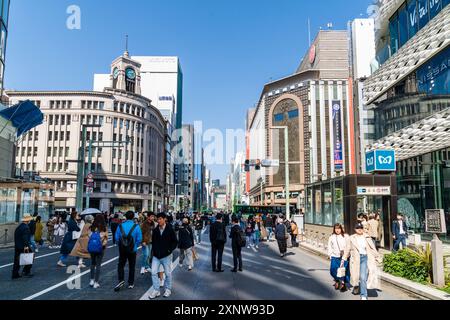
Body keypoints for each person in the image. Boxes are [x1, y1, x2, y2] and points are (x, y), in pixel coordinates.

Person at [341, 222, 382, 300]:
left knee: (363, 277)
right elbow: (347, 249)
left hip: (365, 258)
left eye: (361, 228)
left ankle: (363, 295)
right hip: (355, 259)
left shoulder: (367, 237)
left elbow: (372, 248)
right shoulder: (351, 238)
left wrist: (378, 258)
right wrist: (344, 258)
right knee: (355, 276)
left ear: (363, 229)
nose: (359, 229)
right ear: (355, 229)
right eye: (357, 228)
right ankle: (356, 286)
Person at [148, 213, 178, 299]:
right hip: (156, 256)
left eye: (160, 219)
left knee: (168, 273)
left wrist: (169, 250)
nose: (158, 220)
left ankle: (168, 289)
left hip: (166, 255)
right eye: (158, 219)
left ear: (165, 219)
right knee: (153, 272)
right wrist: (154, 252)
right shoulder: (155, 230)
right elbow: (153, 242)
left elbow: (175, 241)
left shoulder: (170, 229)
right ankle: (156, 290)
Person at [114, 211, 142, 291]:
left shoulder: (120, 226)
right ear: (133, 217)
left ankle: (121, 280)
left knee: (121, 264)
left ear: (126, 217)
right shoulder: (136, 226)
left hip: (122, 249)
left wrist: (121, 244)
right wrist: (135, 245)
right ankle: (130, 283)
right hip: (132, 249)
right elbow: (139, 239)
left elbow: (116, 238)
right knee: (132, 266)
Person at [328, 223, 350, 292]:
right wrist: (330, 255)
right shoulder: (332, 236)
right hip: (334, 256)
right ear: (334, 229)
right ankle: (337, 280)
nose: (337, 230)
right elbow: (329, 246)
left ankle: (343, 284)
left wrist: (347, 254)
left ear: (341, 229)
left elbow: (349, 245)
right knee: (332, 270)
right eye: (336, 228)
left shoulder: (346, 236)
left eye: (339, 228)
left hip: (344, 256)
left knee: (343, 270)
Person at [89, 214, 108, 288]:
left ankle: (91, 280)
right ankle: (96, 282)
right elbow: (106, 239)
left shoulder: (92, 227)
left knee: (93, 263)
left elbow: (89, 236)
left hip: (92, 247)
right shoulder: (104, 228)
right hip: (100, 248)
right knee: (98, 264)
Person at [12, 214, 34, 279]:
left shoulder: (19, 227)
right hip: (23, 246)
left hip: (17, 246)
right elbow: (25, 238)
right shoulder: (26, 228)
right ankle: (26, 271)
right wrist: (26, 246)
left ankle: (15, 274)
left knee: (17, 260)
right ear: (28, 220)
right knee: (30, 257)